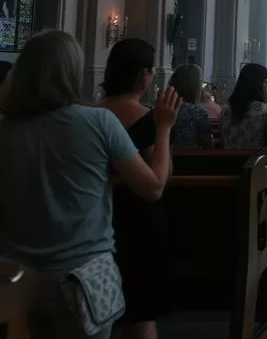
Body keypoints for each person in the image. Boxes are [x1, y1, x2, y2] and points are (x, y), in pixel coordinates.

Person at [0, 31, 178, 339]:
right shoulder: (97, 122)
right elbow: (152, 187)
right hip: (82, 276)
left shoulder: (6, 128)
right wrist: (162, 128)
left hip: (15, 275)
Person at [97, 38, 181, 338]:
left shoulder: (93, 114)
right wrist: (165, 127)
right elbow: (162, 174)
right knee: (141, 314)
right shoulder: (149, 119)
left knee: (102, 309)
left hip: (100, 219)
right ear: (143, 76)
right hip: (140, 219)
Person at [222, 63, 267, 148]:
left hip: (229, 159)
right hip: (257, 160)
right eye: (266, 82)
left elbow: (223, 140)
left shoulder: (226, 109)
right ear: (261, 84)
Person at [169, 63, 213, 149]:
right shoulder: (199, 112)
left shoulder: (165, 108)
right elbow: (208, 144)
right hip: (191, 160)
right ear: (195, 86)